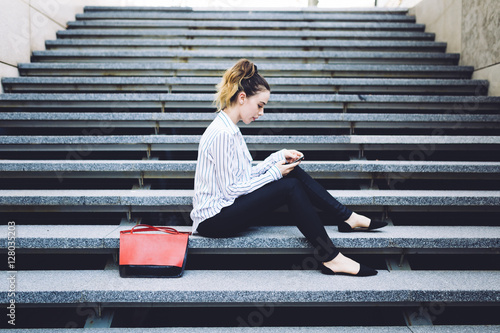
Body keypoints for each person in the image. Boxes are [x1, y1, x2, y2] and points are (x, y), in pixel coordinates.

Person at [190, 59, 387, 277]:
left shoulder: (230, 129)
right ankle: (332, 257)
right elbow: (231, 190)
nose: (261, 113)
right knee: (289, 187)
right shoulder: (222, 133)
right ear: (242, 98)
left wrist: (278, 157)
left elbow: (243, 176)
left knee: (292, 171)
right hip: (213, 220)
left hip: (226, 208)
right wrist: (275, 173)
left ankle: (347, 217)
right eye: (260, 105)